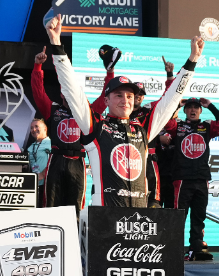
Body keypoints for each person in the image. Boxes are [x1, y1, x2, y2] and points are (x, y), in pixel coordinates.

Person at [46, 17, 200, 208]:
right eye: (118, 95)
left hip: (137, 222)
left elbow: (172, 99)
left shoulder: (143, 127)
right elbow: (72, 90)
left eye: (129, 96)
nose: (125, 100)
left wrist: (192, 61)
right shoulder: (96, 126)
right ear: (106, 99)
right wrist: (57, 44)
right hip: (105, 220)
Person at [162, 97, 219, 261]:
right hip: (182, 178)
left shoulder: (206, 127)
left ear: (200, 110)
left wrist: (211, 105)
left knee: (199, 216)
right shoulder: (179, 126)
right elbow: (166, 120)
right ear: (185, 111)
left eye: (196, 108)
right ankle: (173, 250)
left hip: (202, 177)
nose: (192, 110)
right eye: (189, 108)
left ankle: (196, 249)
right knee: (179, 216)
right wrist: (177, 105)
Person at [30, 50, 92, 210]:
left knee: (76, 206)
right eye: (66, 91)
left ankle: (75, 234)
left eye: (72, 91)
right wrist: (38, 67)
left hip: (77, 161)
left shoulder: (86, 111)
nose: (69, 94)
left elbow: (103, 102)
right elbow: (38, 93)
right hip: (56, 160)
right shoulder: (53, 109)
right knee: (51, 204)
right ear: (61, 94)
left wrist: (109, 74)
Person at [23, 118, 51, 205]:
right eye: (31, 128)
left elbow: (55, 162)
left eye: (36, 126)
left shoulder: (51, 144)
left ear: (45, 128)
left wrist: (43, 174)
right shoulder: (30, 147)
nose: (34, 130)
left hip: (48, 185)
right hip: (36, 185)